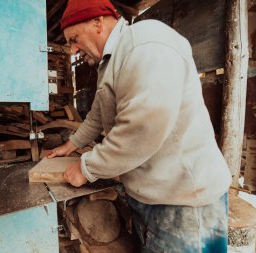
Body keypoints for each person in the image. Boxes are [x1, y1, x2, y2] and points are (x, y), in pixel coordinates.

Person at [47, 0, 232, 252]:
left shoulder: (146, 45)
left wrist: (86, 168)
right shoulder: (111, 62)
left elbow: (141, 129)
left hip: (184, 202)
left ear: (97, 22)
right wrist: (72, 144)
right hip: (154, 196)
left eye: (74, 38)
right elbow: (98, 114)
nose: (73, 50)